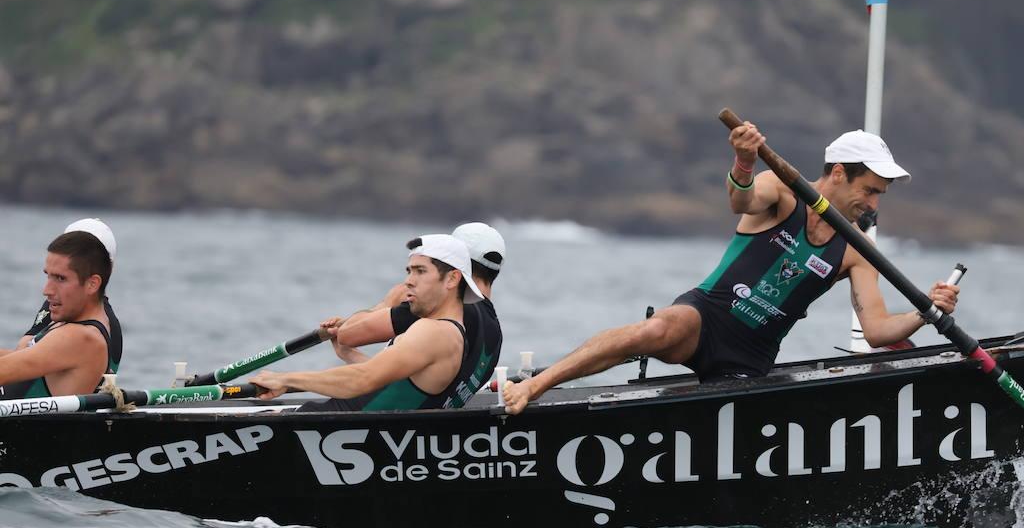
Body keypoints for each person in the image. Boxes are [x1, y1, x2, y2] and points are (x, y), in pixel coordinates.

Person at [501, 122, 959, 415]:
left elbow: (877, 330)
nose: (875, 204)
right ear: (838, 173)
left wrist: (926, 310)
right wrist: (743, 161)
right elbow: (740, 201)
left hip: (750, 358)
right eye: (871, 191)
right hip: (706, 319)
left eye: (880, 195)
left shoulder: (856, 248)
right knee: (657, 330)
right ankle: (536, 386)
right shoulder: (782, 191)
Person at [250, 235, 485, 411]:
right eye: (409, 271)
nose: (408, 281)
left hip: (327, 431)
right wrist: (348, 354)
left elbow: (362, 379)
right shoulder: (450, 332)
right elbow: (391, 382)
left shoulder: (435, 331)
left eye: (420, 271)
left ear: (452, 278)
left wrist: (285, 379)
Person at [321, 222, 505, 408]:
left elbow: (348, 334)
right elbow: (405, 382)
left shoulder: (442, 305)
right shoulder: (495, 335)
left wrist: (386, 304)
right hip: (405, 421)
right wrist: (349, 355)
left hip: (352, 414)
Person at [0, 231, 118, 399]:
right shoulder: (75, 323)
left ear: (92, 284)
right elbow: (18, 359)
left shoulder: (80, 337)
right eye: (48, 276)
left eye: (60, 278)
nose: (46, 290)